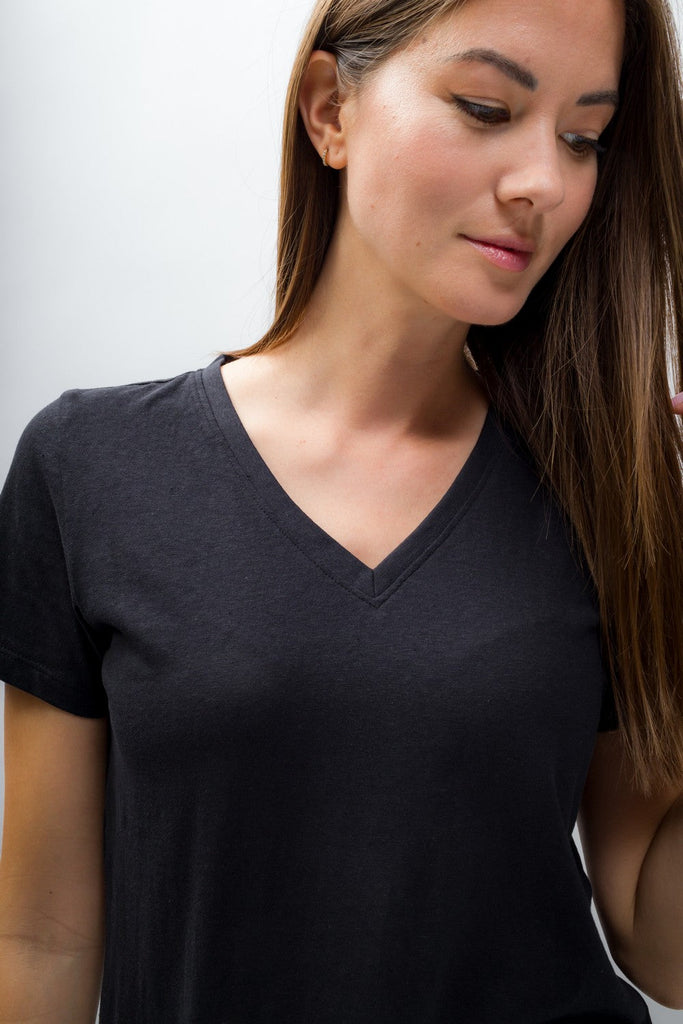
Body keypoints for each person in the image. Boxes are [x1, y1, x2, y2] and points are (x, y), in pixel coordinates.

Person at [1, 0, 682, 1021]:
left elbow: (661, 943)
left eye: (583, 137)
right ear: (329, 109)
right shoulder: (89, 467)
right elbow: (41, 935)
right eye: (485, 107)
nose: (543, 181)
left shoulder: (612, 491)